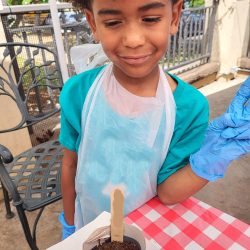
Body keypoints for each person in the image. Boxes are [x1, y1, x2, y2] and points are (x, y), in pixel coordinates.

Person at [58, 0, 250, 240]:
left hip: (147, 231)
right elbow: (70, 165)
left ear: (174, 16)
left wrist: (210, 160)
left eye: (150, 19)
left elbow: (168, 193)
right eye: (113, 22)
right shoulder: (78, 93)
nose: (134, 39)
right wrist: (69, 225)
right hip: (87, 222)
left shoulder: (189, 108)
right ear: (93, 24)